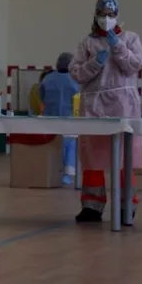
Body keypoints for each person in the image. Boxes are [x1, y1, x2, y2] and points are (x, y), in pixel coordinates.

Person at [70, 0, 142, 224]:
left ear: (117, 16)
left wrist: (118, 47)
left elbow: (136, 65)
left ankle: (126, 207)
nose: (106, 19)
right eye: (102, 14)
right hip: (93, 106)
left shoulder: (130, 38)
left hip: (123, 106)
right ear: (95, 15)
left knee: (124, 159)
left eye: (111, 15)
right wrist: (96, 62)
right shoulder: (87, 42)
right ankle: (91, 207)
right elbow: (76, 73)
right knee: (92, 158)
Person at [40, 52, 80, 185]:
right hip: (71, 120)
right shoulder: (76, 80)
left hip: (50, 120)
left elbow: (41, 97)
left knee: (54, 146)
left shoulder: (47, 79)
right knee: (70, 146)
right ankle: (68, 174)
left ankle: (52, 171)